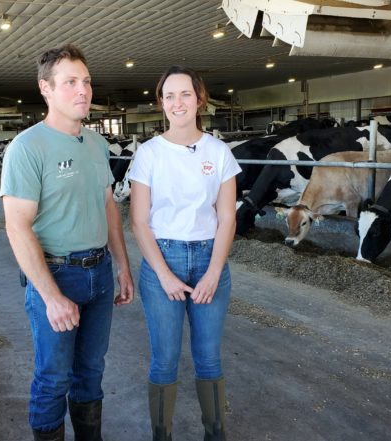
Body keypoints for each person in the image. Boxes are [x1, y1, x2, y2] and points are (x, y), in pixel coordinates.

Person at [0, 44, 134, 441]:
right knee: (53, 377)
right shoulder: (27, 148)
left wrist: (123, 265)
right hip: (56, 275)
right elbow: (17, 228)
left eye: (87, 82)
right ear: (46, 88)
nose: (83, 91)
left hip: (100, 273)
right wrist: (51, 296)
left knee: (91, 371)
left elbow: (108, 206)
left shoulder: (95, 144)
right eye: (71, 82)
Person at [128, 66, 240, 441]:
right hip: (164, 260)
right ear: (161, 103)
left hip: (211, 259)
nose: (178, 103)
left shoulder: (219, 151)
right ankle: (162, 434)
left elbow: (226, 218)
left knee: (209, 357)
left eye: (185, 94)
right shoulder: (148, 154)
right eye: (169, 96)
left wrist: (213, 272)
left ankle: (215, 433)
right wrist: (162, 274)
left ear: (199, 99)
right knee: (165, 360)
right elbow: (139, 222)